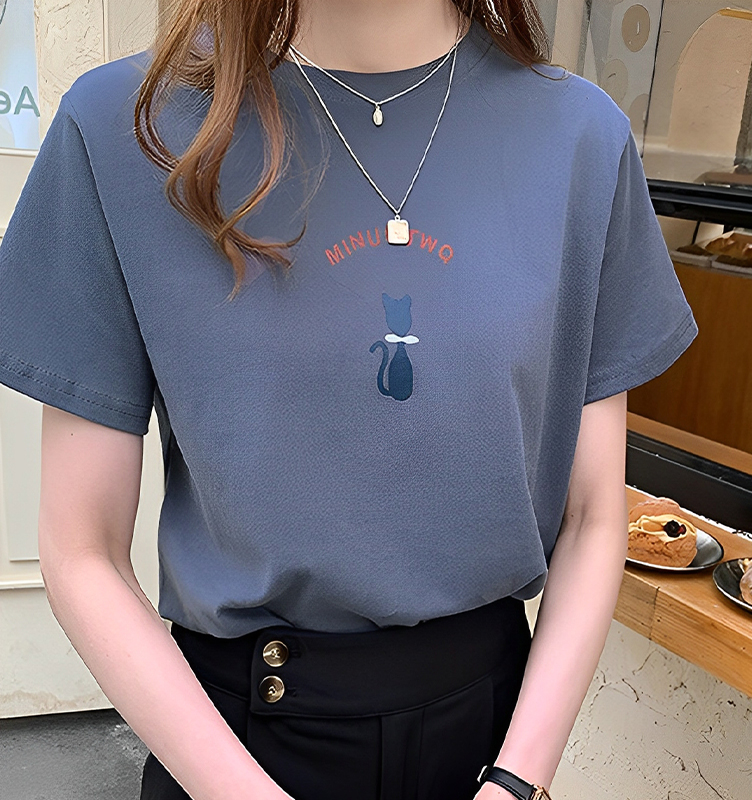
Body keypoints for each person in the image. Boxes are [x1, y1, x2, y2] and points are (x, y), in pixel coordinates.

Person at [0, 0, 698, 798]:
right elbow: (82, 549)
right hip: (232, 748)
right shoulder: (127, 130)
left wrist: (516, 781)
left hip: (491, 741)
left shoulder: (580, 139)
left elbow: (594, 515)